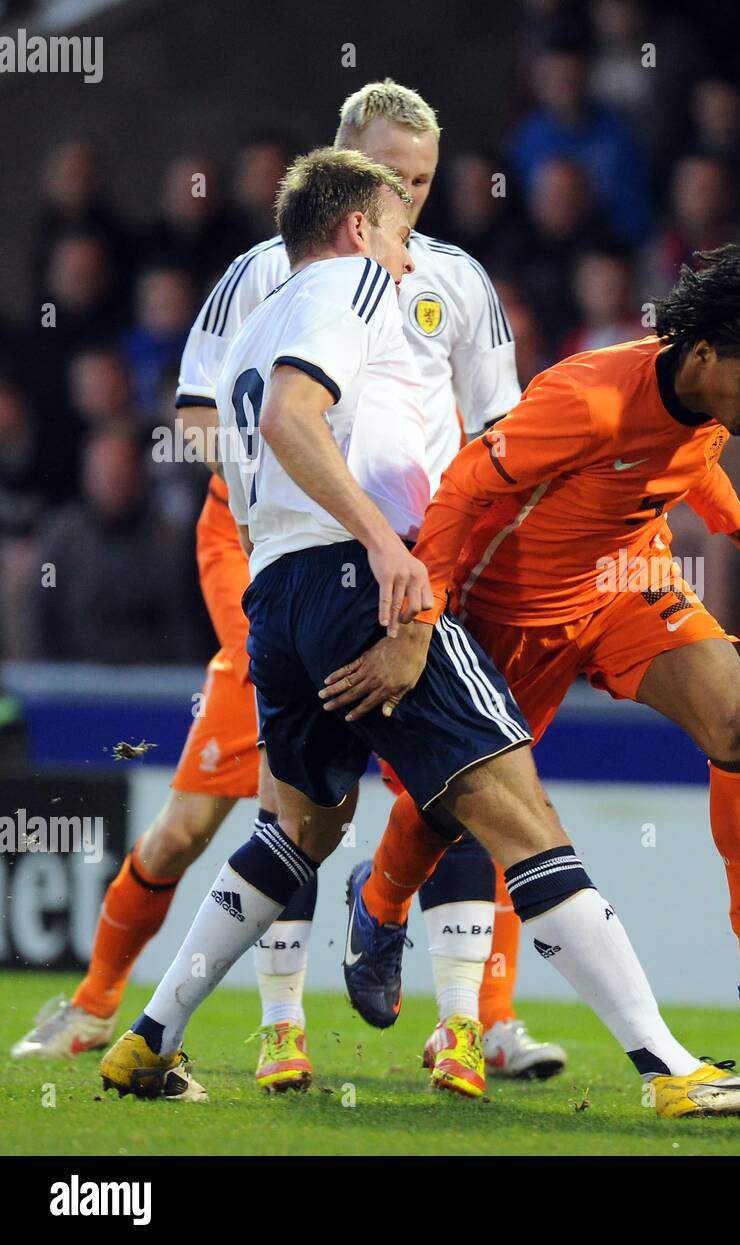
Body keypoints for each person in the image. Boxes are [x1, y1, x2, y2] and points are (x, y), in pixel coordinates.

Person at [96, 147, 740, 1121]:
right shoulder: (345, 290)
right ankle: (667, 1067)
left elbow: (255, 444)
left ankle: (147, 1038)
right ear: (351, 232)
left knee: (299, 828)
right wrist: (390, 552)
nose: (407, 253)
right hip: (358, 577)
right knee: (520, 817)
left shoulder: (250, 324)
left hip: (279, 595)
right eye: (394, 229)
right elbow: (302, 420)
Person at [13, 80, 565, 1096]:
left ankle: (471, 1024)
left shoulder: (454, 278)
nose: (408, 194)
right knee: (236, 812)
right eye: (392, 176)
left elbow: (499, 428)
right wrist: (292, 504)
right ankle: (173, 1013)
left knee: (454, 790)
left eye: (424, 180)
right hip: (275, 563)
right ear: (346, 166)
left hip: (412, 566)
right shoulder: (262, 273)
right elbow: (192, 421)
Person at [320, 245, 740, 1064]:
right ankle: (377, 900)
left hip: (625, 583)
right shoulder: (587, 401)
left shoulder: (705, 402)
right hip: (510, 609)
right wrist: (416, 626)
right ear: (701, 354)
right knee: (452, 806)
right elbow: (464, 489)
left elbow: (691, 456)